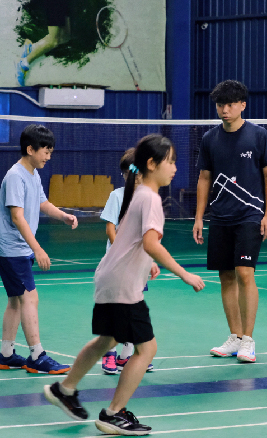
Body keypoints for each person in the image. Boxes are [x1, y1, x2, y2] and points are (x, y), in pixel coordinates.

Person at [44, 134, 205, 436]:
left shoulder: (137, 193)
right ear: (151, 164)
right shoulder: (150, 198)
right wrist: (184, 274)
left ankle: (65, 389)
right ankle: (113, 413)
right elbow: (150, 243)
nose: (175, 168)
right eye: (170, 161)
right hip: (123, 286)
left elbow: (134, 241)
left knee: (106, 341)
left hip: (109, 277)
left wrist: (148, 262)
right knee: (147, 349)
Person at [193, 79, 267, 363]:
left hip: (250, 214)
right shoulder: (210, 139)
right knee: (226, 275)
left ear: (242, 105)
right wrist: (199, 217)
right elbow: (204, 178)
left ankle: (248, 340)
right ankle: (235, 337)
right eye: (220, 105)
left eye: (230, 105)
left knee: (244, 272)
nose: (224, 110)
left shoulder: (258, 135)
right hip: (220, 216)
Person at [0, 124, 78, 374]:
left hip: (14, 247)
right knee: (30, 297)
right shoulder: (15, 176)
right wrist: (38, 249)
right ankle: (37, 356)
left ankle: (6, 355)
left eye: (50, 152)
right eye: (45, 151)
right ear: (30, 149)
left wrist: (63, 216)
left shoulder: (33, 174)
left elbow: (43, 203)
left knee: (16, 301)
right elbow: (17, 217)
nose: (48, 157)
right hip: (11, 247)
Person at [100, 148, 154, 375]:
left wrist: (150, 260)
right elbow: (110, 228)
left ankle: (126, 356)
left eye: (136, 173)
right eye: (126, 174)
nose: (131, 178)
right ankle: (109, 354)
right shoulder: (117, 196)